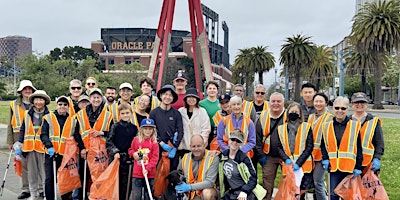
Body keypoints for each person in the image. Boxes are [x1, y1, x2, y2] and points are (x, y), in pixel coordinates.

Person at [73, 88, 113, 199]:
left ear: (102, 99)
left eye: (98, 97)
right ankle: (81, 197)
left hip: (100, 152)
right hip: (85, 151)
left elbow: (112, 133)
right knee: (82, 175)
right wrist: (81, 148)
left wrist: (102, 132)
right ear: (90, 99)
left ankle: (99, 196)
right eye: (94, 97)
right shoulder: (81, 114)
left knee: (99, 176)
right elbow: (76, 133)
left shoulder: (108, 115)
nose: (96, 99)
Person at [320, 96, 363, 200]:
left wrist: (358, 166)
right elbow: (323, 144)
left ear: (348, 109)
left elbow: (358, 148)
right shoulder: (326, 126)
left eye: (343, 108)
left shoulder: (355, 125)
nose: (340, 111)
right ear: (333, 108)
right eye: (337, 108)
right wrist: (325, 158)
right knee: (333, 195)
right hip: (334, 168)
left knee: (348, 196)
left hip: (349, 168)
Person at [16, 90, 51, 199]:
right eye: (36, 99)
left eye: (41, 99)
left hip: (43, 148)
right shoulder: (27, 114)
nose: (38, 102)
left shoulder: (49, 115)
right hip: (29, 148)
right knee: (32, 173)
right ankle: (34, 194)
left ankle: (45, 193)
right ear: (33, 101)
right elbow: (23, 129)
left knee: (44, 173)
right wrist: (19, 143)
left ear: (45, 102)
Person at [40, 96, 75, 200]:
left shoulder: (72, 120)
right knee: (50, 178)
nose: (62, 106)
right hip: (51, 154)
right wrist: (49, 146)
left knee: (65, 178)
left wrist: (82, 147)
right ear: (56, 105)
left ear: (68, 107)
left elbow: (76, 135)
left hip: (66, 155)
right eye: (60, 104)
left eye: (65, 104)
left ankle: (66, 198)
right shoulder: (48, 117)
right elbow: (43, 134)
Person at [277, 102, 314, 198]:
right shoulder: (281, 129)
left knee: (300, 194)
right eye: (291, 111)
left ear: (300, 114)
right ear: (287, 112)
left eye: (296, 112)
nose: (293, 113)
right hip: (288, 166)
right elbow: (279, 147)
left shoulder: (306, 127)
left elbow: (309, 147)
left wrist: (299, 163)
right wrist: (286, 160)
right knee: (289, 193)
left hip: (303, 167)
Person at [8, 80, 36, 199]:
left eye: (29, 89)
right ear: (21, 91)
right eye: (25, 89)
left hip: (35, 139)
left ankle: (37, 188)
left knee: (35, 165)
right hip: (19, 139)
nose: (27, 91)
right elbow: (10, 124)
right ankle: (26, 189)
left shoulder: (37, 102)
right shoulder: (13, 104)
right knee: (23, 165)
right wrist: (11, 141)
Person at [107, 103, 139, 200]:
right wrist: (115, 151)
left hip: (129, 159)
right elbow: (109, 141)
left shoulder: (134, 128)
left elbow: (137, 143)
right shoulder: (115, 126)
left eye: (127, 113)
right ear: (119, 114)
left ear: (131, 113)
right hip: (116, 159)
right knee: (115, 183)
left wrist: (134, 153)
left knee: (127, 184)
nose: (125, 115)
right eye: (123, 113)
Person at [149, 85, 184, 170]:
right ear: (161, 95)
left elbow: (180, 131)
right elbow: (150, 131)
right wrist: (161, 143)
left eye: (170, 95)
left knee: (172, 174)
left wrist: (175, 146)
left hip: (172, 148)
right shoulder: (153, 113)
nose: (167, 97)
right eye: (165, 94)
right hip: (157, 149)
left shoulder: (176, 114)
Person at [259, 92, 286, 200]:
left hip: (286, 157)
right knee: (267, 184)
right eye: (273, 101)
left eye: (278, 101)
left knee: (288, 183)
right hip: (268, 156)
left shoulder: (289, 115)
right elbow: (257, 137)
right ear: (269, 103)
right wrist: (261, 155)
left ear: (283, 103)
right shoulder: (263, 115)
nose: (276, 104)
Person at [176, 134, 219, 200]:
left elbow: (210, 182)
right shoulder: (185, 158)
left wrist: (190, 187)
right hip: (190, 194)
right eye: (193, 146)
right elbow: (178, 174)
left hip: (207, 190)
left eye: (199, 146)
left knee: (207, 194)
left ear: (204, 145)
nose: (196, 149)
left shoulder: (212, 157)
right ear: (190, 147)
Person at [350, 92, 384, 171]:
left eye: (362, 102)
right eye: (356, 102)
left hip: (369, 163)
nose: (359, 105)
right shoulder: (348, 121)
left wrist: (377, 158)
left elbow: (379, 142)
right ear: (352, 104)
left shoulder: (373, 121)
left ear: (366, 104)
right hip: (351, 162)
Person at [308, 93, 333, 200]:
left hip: (322, 156)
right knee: (314, 183)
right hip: (310, 155)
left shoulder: (330, 118)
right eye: (316, 101)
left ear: (326, 103)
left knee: (318, 182)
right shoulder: (311, 117)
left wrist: (326, 157)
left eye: (321, 101)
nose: (318, 104)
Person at [219, 130, 257, 200]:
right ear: (229, 140)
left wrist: (244, 191)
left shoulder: (244, 159)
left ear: (241, 143)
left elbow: (253, 178)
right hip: (229, 192)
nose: (234, 142)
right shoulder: (223, 155)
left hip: (243, 192)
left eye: (238, 141)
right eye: (233, 139)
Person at [129, 118, 160, 200]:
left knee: (148, 195)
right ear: (141, 129)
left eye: (150, 129)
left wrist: (147, 168)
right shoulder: (136, 140)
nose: (148, 131)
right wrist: (133, 153)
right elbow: (130, 150)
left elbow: (155, 158)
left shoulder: (154, 143)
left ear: (153, 130)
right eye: (145, 128)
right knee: (136, 196)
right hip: (137, 173)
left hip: (150, 174)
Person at [178, 88, 211, 157]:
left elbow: (206, 129)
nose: (191, 99)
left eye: (193, 97)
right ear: (185, 99)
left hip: (199, 148)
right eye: (189, 97)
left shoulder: (202, 111)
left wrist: (200, 143)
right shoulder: (180, 111)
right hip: (185, 147)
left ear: (197, 99)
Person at [199, 81, 220, 147]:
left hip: (219, 130)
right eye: (210, 88)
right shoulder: (201, 104)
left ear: (217, 91)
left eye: (214, 88)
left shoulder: (221, 103)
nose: (212, 90)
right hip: (206, 131)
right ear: (207, 90)